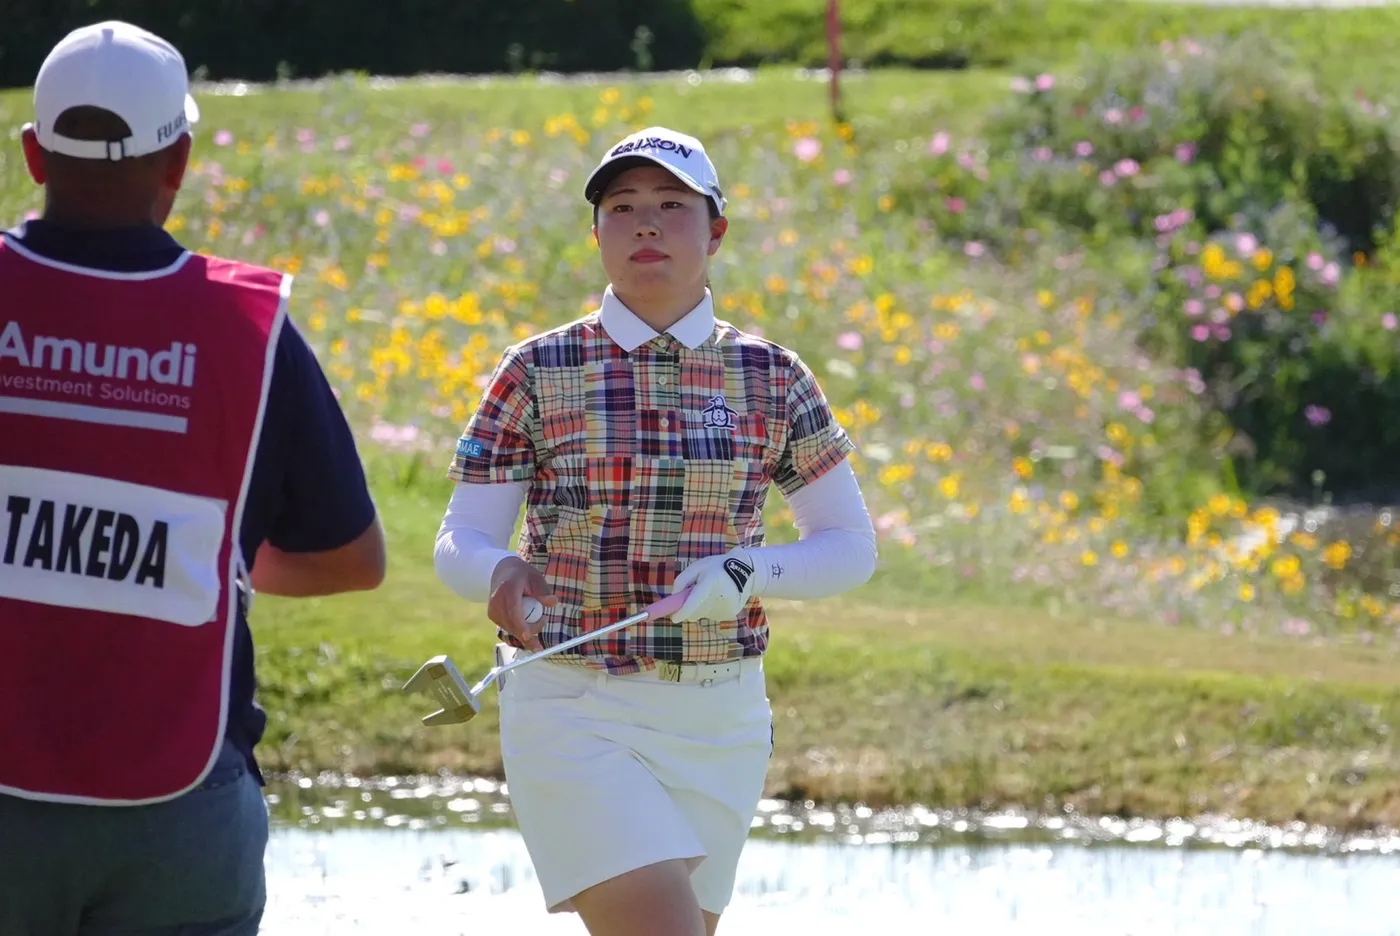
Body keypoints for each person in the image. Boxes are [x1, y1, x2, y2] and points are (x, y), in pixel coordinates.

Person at [433, 125, 879, 936]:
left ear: (716, 232)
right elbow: (461, 538)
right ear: (596, 232)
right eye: (622, 206)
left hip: (721, 714)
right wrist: (499, 573)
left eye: (673, 205)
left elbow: (849, 545)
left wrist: (748, 573)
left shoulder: (772, 376)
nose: (646, 223)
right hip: (573, 702)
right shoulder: (537, 369)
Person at [0, 20, 387, 935]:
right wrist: (216, 560)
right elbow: (352, 559)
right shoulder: (247, 327)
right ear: (179, 159)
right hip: (180, 816)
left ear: (33, 154)